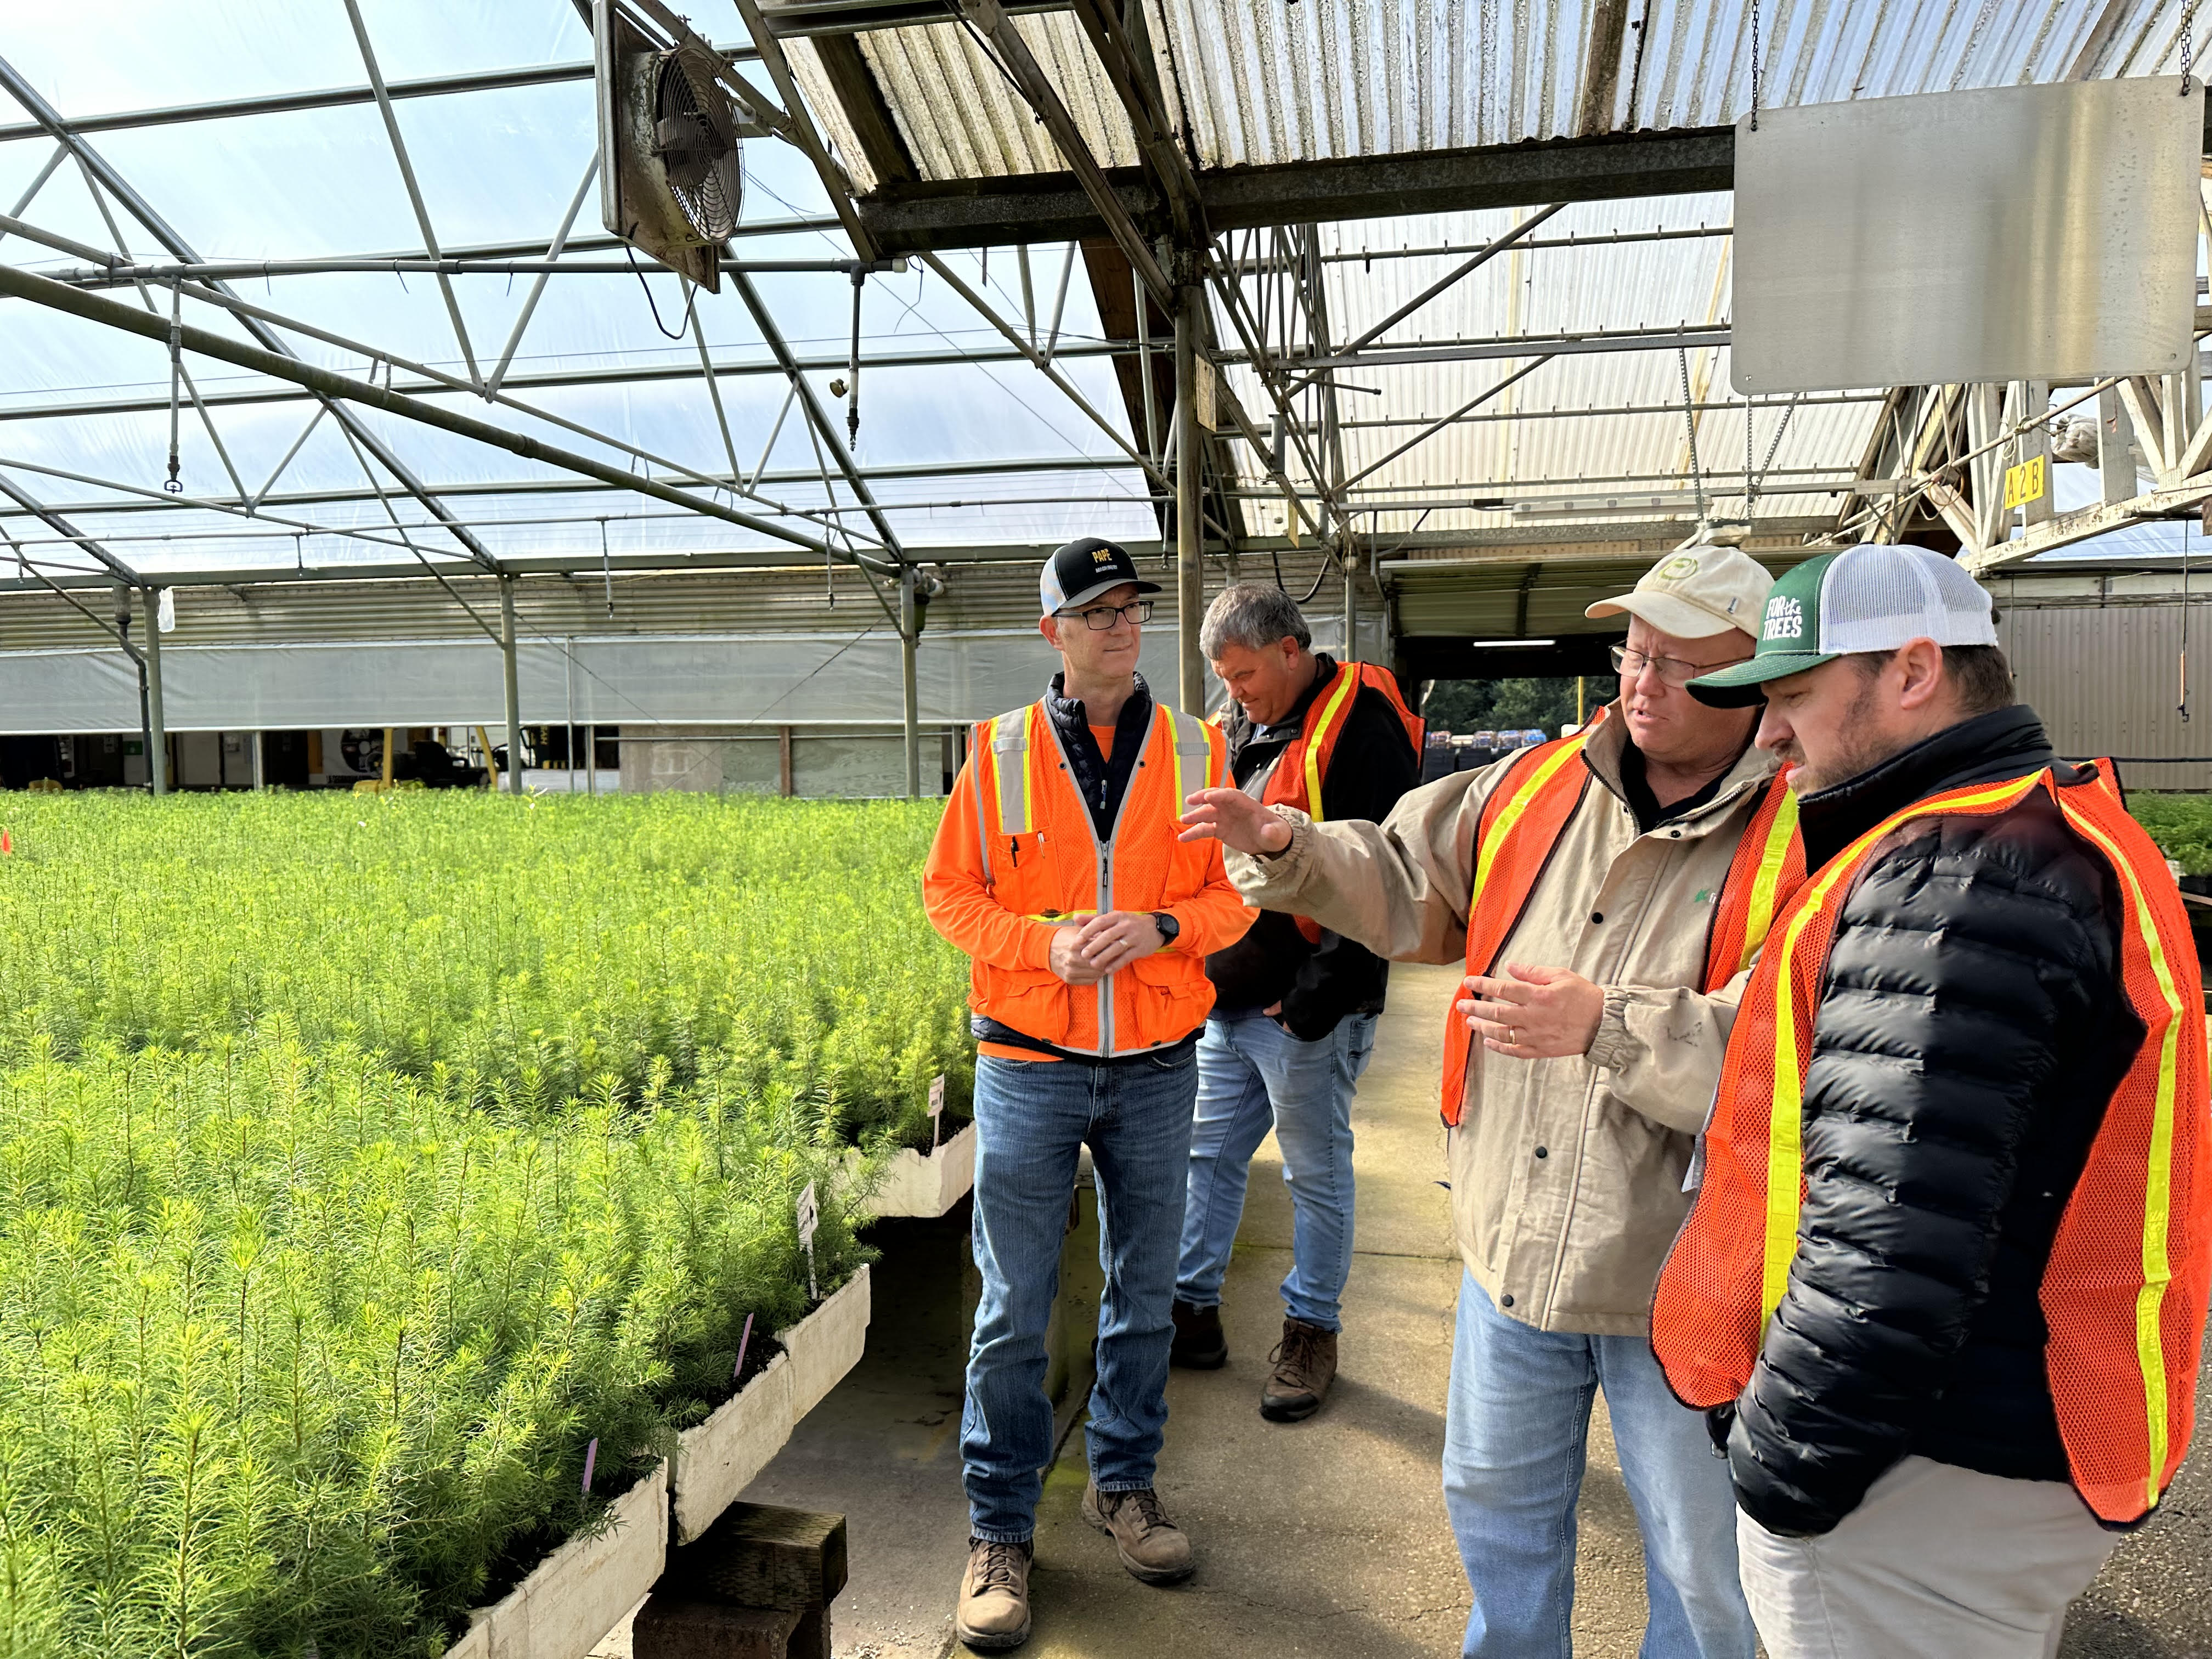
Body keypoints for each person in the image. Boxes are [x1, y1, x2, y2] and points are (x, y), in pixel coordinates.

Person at [1179, 545, 1795, 1659]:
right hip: (1513, 1253)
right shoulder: (1535, 786)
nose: (1641, 683)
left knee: (1705, 1572)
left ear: (1756, 682)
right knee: (1499, 1525)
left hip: (1690, 1281)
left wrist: (1606, 1026)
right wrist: (1288, 845)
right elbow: (1408, 877)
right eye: (1634, 653)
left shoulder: (1811, 829)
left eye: (1679, 666)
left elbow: (1793, 1055)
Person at [1651, 544, 2211, 1659]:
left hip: (1919, 1482)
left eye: (1796, 697)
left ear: (1913, 671)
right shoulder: (2033, 834)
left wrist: (1779, 1470)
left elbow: (1890, 1262)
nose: (1771, 733)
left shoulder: (1957, 878)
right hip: (1985, 1448)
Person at [922, 535, 1255, 1653]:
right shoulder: (1001, 751)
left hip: (1160, 1066)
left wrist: (1166, 925)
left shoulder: (1201, 746)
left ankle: (1124, 1486)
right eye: (1098, 609)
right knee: (1014, 1305)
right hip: (1027, 1062)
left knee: (1145, 1290)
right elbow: (949, 893)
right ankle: (1001, 1530)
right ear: (1053, 632)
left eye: (1132, 606)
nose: (1122, 623)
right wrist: (1038, 947)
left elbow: (1236, 897)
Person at [1170, 584, 1423, 1420]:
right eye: (1224, 679)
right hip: (1232, 992)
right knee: (1208, 1155)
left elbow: (1380, 875)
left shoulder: (1362, 726)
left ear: (1290, 649)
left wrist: (1316, 1000)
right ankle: (1192, 1312)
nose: (1234, 693)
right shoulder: (1249, 720)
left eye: (1244, 674)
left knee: (1316, 1172)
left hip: (1307, 1006)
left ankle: (1312, 1331)